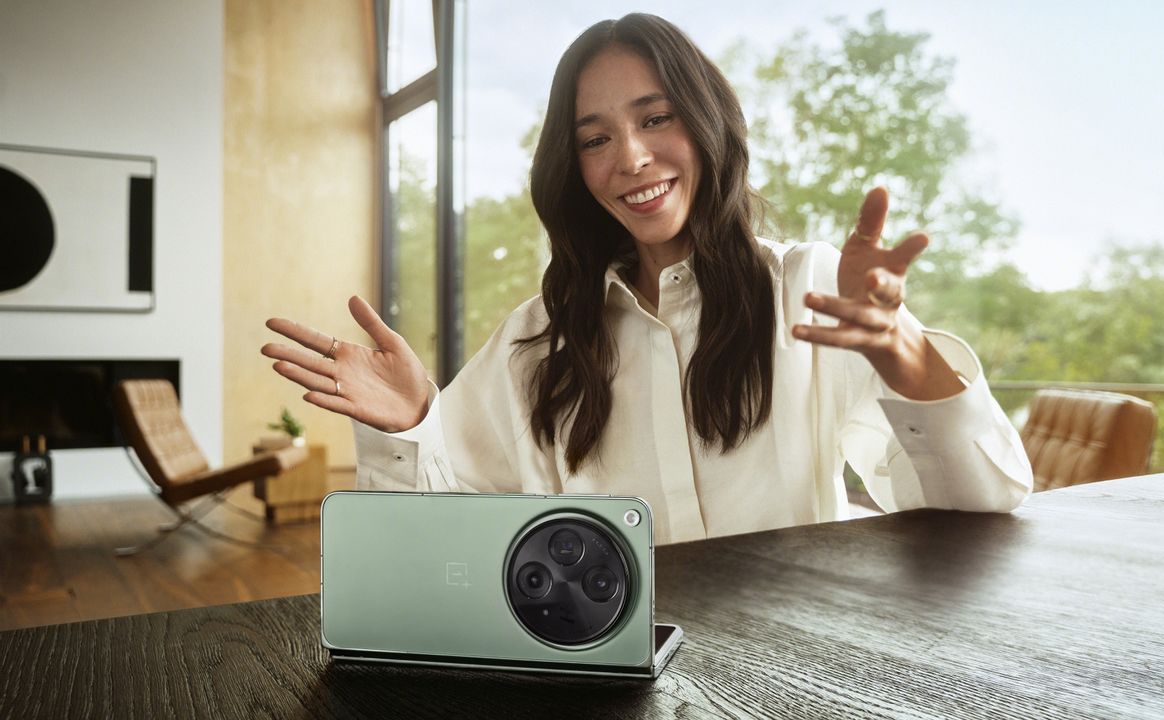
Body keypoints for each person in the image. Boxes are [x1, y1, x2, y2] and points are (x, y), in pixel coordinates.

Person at [261, 13, 1032, 545]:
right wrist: (411, 422)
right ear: (575, 168)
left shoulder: (808, 289)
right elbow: (443, 535)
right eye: (595, 138)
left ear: (708, 121)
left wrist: (906, 357)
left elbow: (980, 510)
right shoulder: (539, 337)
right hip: (606, 680)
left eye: (655, 118)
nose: (629, 157)